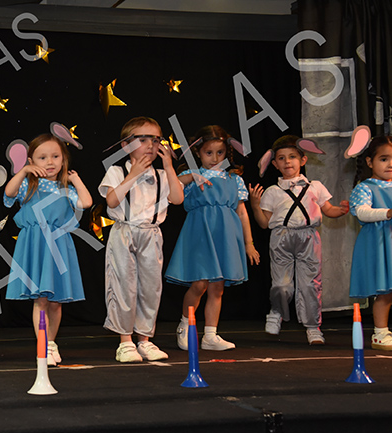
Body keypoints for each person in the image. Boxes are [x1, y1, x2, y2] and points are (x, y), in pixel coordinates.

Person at [165, 125, 260, 351]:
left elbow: (242, 212)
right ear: (198, 153)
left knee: (217, 287)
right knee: (199, 283)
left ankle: (210, 335)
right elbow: (173, 189)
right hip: (200, 233)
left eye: (220, 153)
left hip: (226, 235)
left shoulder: (234, 179)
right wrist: (193, 176)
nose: (215, 158)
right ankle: (185, 325)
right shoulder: (191, 176)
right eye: (209, 153)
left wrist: (249, 243)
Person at [98, 117, 184, 363]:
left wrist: (169, 167)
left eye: (155, 140)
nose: (150, 145)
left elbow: (178, 199)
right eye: (143, 139)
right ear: (126, 145)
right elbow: (112, 201)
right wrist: (133, 175)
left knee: (150, 287)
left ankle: (144, 339)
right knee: (123, 285)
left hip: (151, 234)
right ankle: (125, 341)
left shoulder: (161, 175)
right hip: (124, 232)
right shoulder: (117, 171)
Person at [249, 135, 349, 345]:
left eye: (292, 157)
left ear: (303, 160)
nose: (287, 162)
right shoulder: (273, 191)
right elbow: (264, 223)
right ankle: (277, 311)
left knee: (311, 285)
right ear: (275, 164)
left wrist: (341, 210)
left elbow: (329, 210)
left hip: (308, 237)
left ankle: (313, 327)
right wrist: (256, 205)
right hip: (281, 238)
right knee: (282, 285)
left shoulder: (315, 187)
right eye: (282, 158)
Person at [4, 133, 92, 365]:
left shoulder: (65, 188)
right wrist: (23, 171)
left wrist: (76, 180)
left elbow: (86, 203)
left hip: (58, 246)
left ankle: (51, 343)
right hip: (35, 244)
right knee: (40, 300)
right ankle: (42, 345)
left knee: (56, 301)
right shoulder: (28, 185)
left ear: (63, 160)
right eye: (42, 157)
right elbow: (9, 193)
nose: (50, 162)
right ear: (31, 161)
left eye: (55, 156)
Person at [349, 135, 392, 350]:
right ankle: (380, 333)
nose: (390, 164)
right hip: (381, 244)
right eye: (384, 159)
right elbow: (362, 212)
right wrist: (387, 213)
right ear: (369, 162)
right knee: (385, 292)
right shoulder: (365, 187)